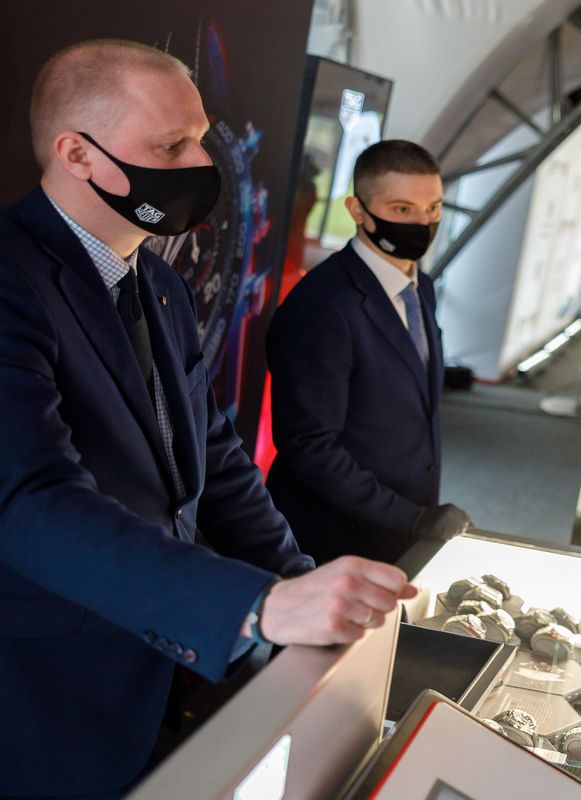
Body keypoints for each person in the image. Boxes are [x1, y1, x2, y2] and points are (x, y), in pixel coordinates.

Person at [0, 40, 421, 799]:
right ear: (77, 154)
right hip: (41, 694)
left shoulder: (158, 282)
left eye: (200, 137)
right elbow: (29, 502)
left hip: (155, 674)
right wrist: (254, 607)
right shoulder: (9, 279)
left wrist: (299, 583)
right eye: (171, 146)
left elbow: (214, 455)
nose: (202, 163)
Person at [266, 140, 469, 566]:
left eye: (433, 208)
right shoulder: (322, 305)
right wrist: (410, 518)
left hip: (400, 535)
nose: (422, 223)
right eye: (402, 209)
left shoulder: (421, 287)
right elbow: (309, 446)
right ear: (357, 211)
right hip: (330, 544)